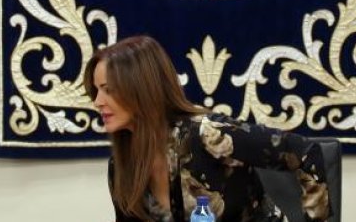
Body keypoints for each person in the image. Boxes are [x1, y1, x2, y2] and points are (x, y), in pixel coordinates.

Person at [83, 35, 333, 222]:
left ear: (141, 88)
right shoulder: (122, 164)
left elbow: (306, 153)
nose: (97, 102)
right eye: (97, 90)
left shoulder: (209, 135)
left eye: (109, 89)